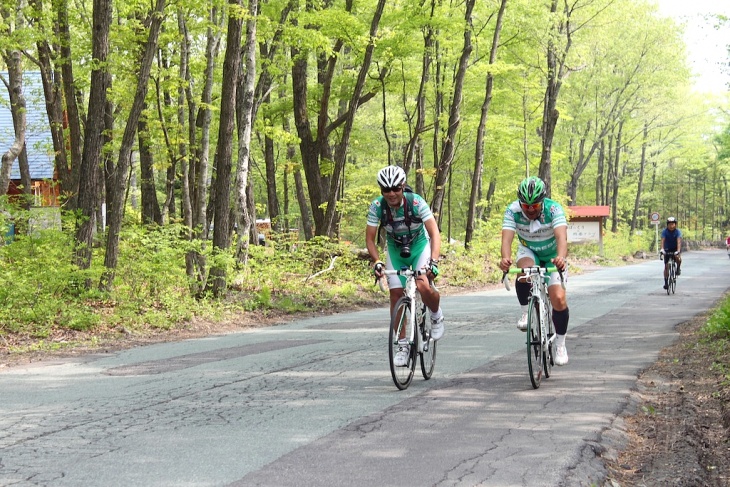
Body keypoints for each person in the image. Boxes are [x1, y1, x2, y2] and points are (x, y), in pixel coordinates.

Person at [365, 165, 444, 367]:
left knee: (423, 284)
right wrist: (377, 261)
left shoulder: (416, 202)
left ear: (402, 187)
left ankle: (435, 314)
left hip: (419, 246)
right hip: (395, 249)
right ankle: (402, 344)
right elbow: (370, 239)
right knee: (395, 294)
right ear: (381, 191)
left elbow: (434, 233)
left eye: (396, 189)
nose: (391, 193)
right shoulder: (377, 206)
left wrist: (433, 261)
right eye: (386, 190)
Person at [499, 176, 570, 366]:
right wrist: (505, 259)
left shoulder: (553, 209)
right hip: (529, 250)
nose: (530, 210)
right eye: (526, 206)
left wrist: (561, 258)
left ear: (542, 202)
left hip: (553, 254)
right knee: (525, 272)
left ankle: (560, 345)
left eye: (535, 206)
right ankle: (525, 313)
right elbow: (506, 240)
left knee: (558, 299)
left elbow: (562, 237)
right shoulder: (512, 210)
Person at [660, 216, 682, 288]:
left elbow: (678, 241)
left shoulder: (677, 232)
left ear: (675, 224)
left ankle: (678, 267)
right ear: (667, 225)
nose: (671, 226)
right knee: (666, 266)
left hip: (675, 248)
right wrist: (662, 249)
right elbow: (662, 240)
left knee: (677, 257)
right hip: (667, 249)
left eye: (673, 224)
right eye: (670, 224)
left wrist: (678, 251)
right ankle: (666, 282)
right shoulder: (665, 231)